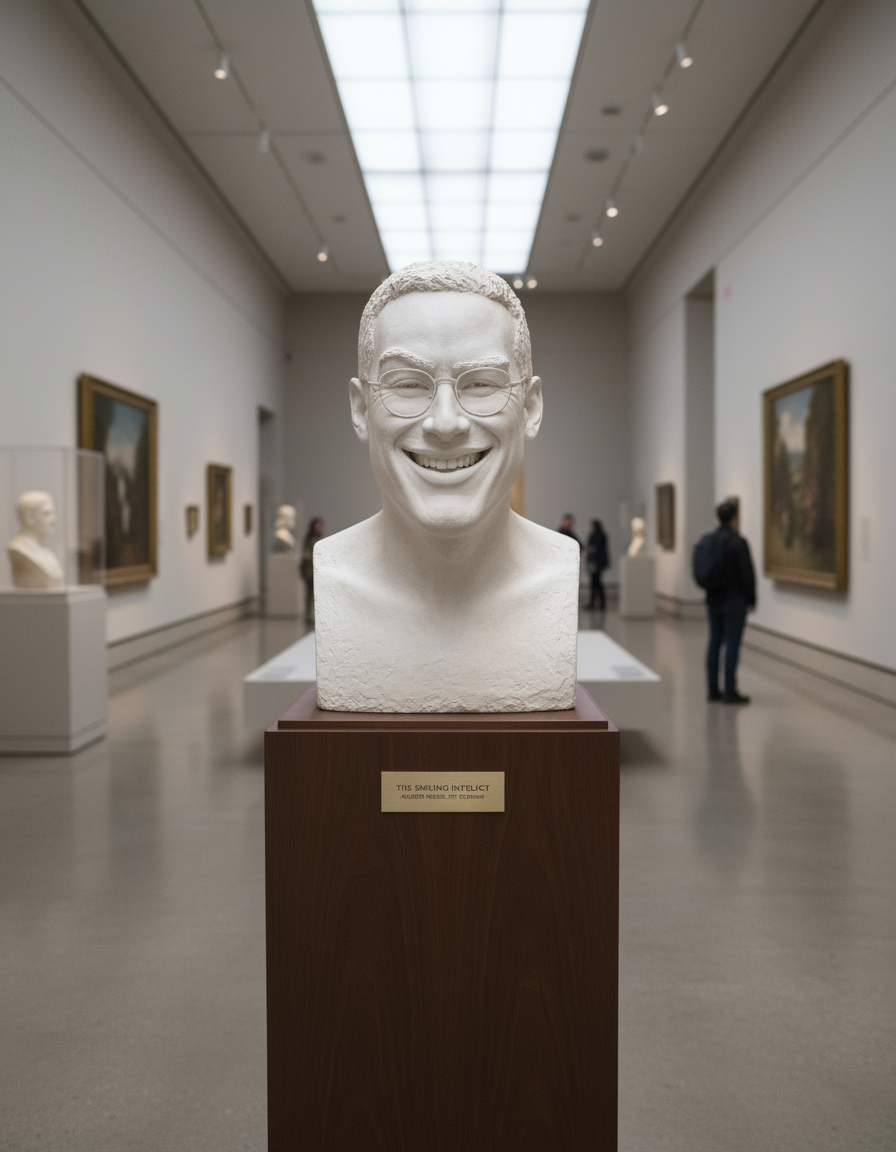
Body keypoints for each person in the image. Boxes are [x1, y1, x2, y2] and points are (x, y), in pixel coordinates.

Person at [312, 259, 579, 713]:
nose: (445, 423)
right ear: (360, 411)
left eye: (481, 384)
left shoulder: (560, 571)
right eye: (407, 385)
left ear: (530, 408)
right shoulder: (334, 573)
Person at [704, 501, 756, 704]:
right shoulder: (738, 543)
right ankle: (730, 690)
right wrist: (751, 599)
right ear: (734, 518)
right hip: (734, 601)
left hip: (714, 599)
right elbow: (747, 574)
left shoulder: (710, 541)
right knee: (732, 644)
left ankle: (712, 690)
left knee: (714, 643)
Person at [300, 517, 324, 625]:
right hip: (310, 571)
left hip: (316, 570)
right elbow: (307, 556)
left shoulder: (318, 539)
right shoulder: (310, 541)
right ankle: (309, 615)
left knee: (315, 595)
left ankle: (313, 615)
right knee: (310, 595)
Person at [586, 519, 609, 611]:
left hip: (597, 563)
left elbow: (596, 550)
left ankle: (596, 602)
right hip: (598, 563)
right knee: (596, 583)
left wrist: (594, 562)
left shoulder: (597, 536)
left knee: (596, 583)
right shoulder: (600, 535)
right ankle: (598, 602)